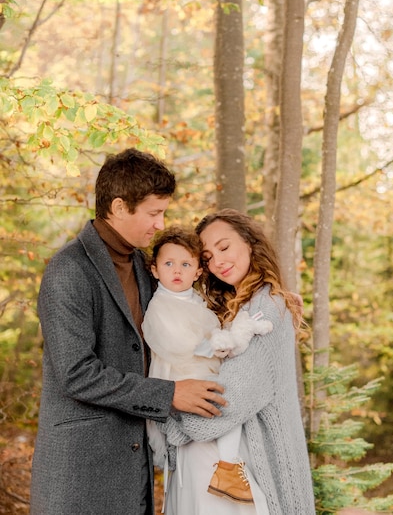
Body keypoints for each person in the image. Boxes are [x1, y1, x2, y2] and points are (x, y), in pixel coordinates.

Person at [29, 149, 226, 515]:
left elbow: (187, 301)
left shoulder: (141, 263)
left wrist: (267, 294)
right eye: (153, 213)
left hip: (133, 472)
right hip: (79, 474)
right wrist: (168, 395)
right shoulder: (67, 270)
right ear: (119, 207)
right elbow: (76, 374)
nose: (159, 223)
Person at [161, 208, 316, 515]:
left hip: (252, 475)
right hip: (229, 471)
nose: (217, 261)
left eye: (224, 247)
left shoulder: (267, 308)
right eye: (207, 257)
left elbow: (227, 399)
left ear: (249, 243)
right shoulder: (239, 307)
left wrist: (173, 425)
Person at [142, 226, 273, 505]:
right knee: (214, 424)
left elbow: (214, 328)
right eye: (169, 264)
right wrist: (221, 345)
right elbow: (181, 347)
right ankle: (226, 469)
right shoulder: (160, 307)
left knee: (228, 415)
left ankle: (228, 466)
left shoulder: (198, 300)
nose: (177, 271)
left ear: (198, 272)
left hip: (207, 375)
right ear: (154, 270)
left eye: (186, 264)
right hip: (187, 381)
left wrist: (223, 341)